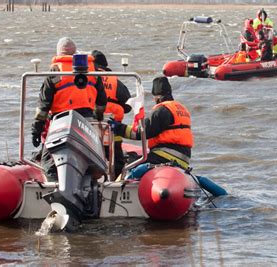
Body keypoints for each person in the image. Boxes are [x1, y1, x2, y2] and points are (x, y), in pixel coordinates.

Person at [31, 37, 107, 181]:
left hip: (61, 122)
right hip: (87, 122)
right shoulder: (92, 71)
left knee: (48, 162)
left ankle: (56, 187)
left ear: (59, 53)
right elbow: (102, 100)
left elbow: (43, 106)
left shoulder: (55, 71)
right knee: (95, 159)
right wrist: (98, 117)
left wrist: (36, 129)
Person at [109, 76, 193, 170]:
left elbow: (142, 133)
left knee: (129, 160)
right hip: (184, 159)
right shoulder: (181, 108)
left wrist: (117, 127)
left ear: (157, 97)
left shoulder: (161, 110)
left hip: (166, 155)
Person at [91, 50, 132, 178]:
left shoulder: (86, 77)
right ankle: (116, 180)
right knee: (117, 160)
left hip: (89, 127)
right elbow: (128, 105)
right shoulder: (114, 80)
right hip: (113, 130)